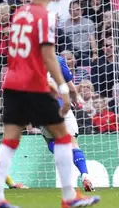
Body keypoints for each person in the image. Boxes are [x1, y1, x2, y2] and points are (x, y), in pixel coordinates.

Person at [0, 0, 100, 208]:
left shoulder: (19, 14)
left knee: (9, 140)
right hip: (35, 85)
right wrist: (62, 88)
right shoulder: (46, 17)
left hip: (13, 83)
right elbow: (49, 55)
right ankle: (69, 196)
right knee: (63, 137)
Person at [39, 54, 95, 192]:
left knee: (52, 141)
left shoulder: (28, 61)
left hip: (44, 109)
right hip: (63, 106)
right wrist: (76, 99)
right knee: (74, 144)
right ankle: (85, 175)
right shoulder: (58, 59)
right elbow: (70, 88)